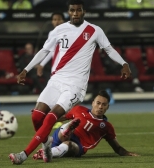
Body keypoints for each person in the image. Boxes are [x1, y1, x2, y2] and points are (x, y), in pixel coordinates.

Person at [9, 0, 131, 165]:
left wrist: (124, 63)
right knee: (37, 116)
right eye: (72, 10)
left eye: (78, 10)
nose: (75, 13)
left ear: (84, 11)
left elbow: (108, 48)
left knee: (51, 116)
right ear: (68, 12)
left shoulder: (94, 30)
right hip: (56, 80)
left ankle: (23, 155)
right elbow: (44, 50)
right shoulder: (59, 30)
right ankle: (47, 147)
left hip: (75, 85)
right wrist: (25, 70)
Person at [32, 90, 139, 159]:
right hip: (60, 136)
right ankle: (69, 129)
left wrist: (126, 153)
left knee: (69, 144)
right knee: (67, 128)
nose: (100, 107)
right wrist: (43, 117)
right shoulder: (78, 109)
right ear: (93, 103)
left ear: (107, 107)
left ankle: (46, 152)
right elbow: (57, 118)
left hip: (79, 146)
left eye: (104, 104)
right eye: (98, 103)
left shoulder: (106, 127)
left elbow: (117, 148)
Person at [36, 11, 65, 129]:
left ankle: (60, 118)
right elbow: (51, 51)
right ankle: (55, 118)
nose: (56, 22)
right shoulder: (52, 33)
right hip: (56, 68)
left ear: (63, 20)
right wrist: (42, 64)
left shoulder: (69, 31)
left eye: (59, 19)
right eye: (54, 19)